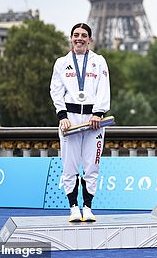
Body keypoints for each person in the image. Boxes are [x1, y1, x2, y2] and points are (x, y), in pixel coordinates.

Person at [50, 23, 111, 222]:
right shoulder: (61, 62)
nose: (79, 38)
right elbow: (56, 90)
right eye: (76, 35)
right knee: (69, 165)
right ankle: (73, 207)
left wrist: (98, 113)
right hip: (71, 120)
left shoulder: (99, 61)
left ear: (89, 39)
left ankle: (88, 206)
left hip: (94, 120)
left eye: (84, 35)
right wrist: (62, 116)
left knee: (92, 164)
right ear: (71, 38)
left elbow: (104, 87)